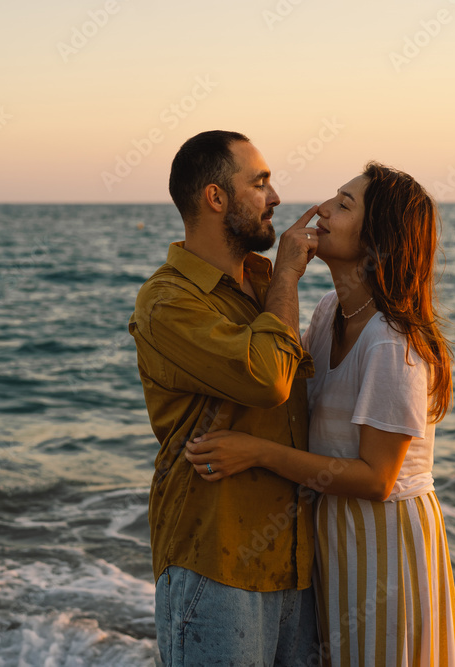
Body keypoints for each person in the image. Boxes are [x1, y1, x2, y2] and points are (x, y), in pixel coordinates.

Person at [185, 162, 455, 666]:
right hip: (335, 532)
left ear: (378, 238)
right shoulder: (329, 309)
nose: (324, 209)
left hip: (385, 539)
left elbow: (378, 479)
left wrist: (255, 453)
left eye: (344, 204)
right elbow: (277, 382)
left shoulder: (390, 341)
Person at [127, 130, 324, 666]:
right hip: (214, 567)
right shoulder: (167, 302)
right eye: (259, 183)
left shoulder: (261, 284)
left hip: (295, 567)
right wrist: (287, 273)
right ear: (216, 198)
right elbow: (268, 381)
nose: (276, 197)